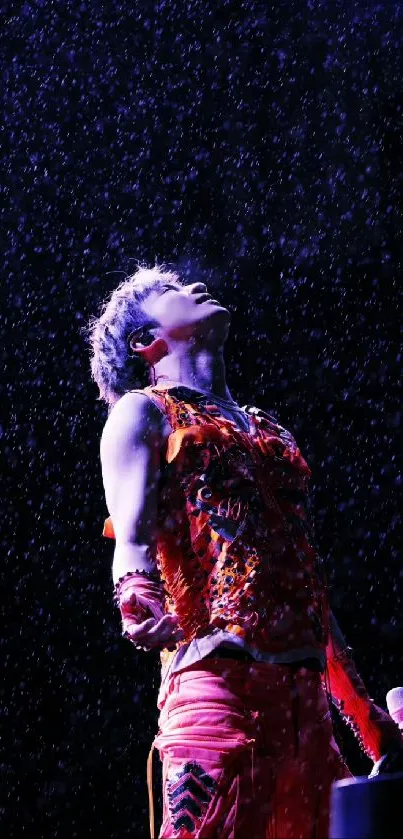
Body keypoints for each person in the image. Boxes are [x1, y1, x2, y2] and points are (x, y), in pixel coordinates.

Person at [86, 264, 403, 839]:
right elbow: (131, 535)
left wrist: (366, 719)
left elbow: (307, 587)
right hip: (219, 697)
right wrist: (136, 594)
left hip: (308, 721)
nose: (193, 287)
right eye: (170, 291)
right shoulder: (144, 412)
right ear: (144, 341)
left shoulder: (271, 432)